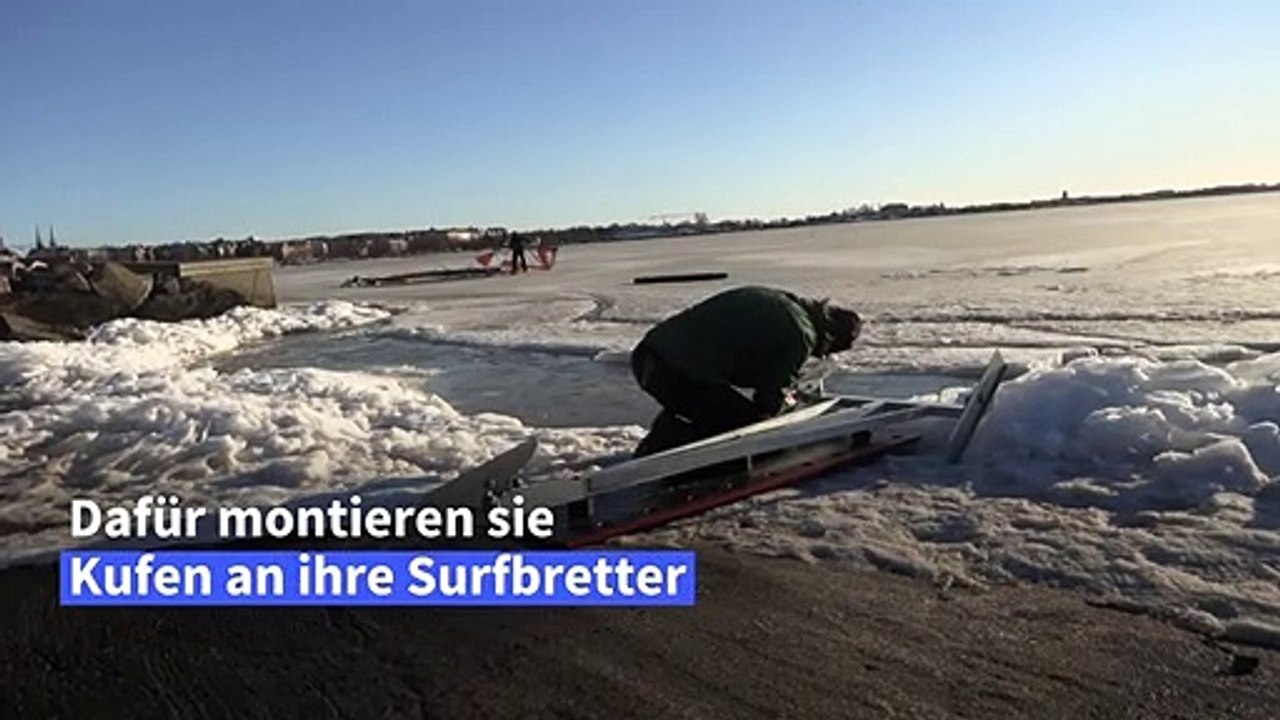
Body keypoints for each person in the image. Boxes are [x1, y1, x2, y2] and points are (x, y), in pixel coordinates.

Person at [629, 285, 862, 457]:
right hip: (670, 370)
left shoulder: (786, 302)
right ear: (830, 338)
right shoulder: (802, 335)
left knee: (716, 405)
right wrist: (775, 415)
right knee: (742, 431)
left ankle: (667, 436)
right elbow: (771, 392)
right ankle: (670, 456)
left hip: (651, 355)